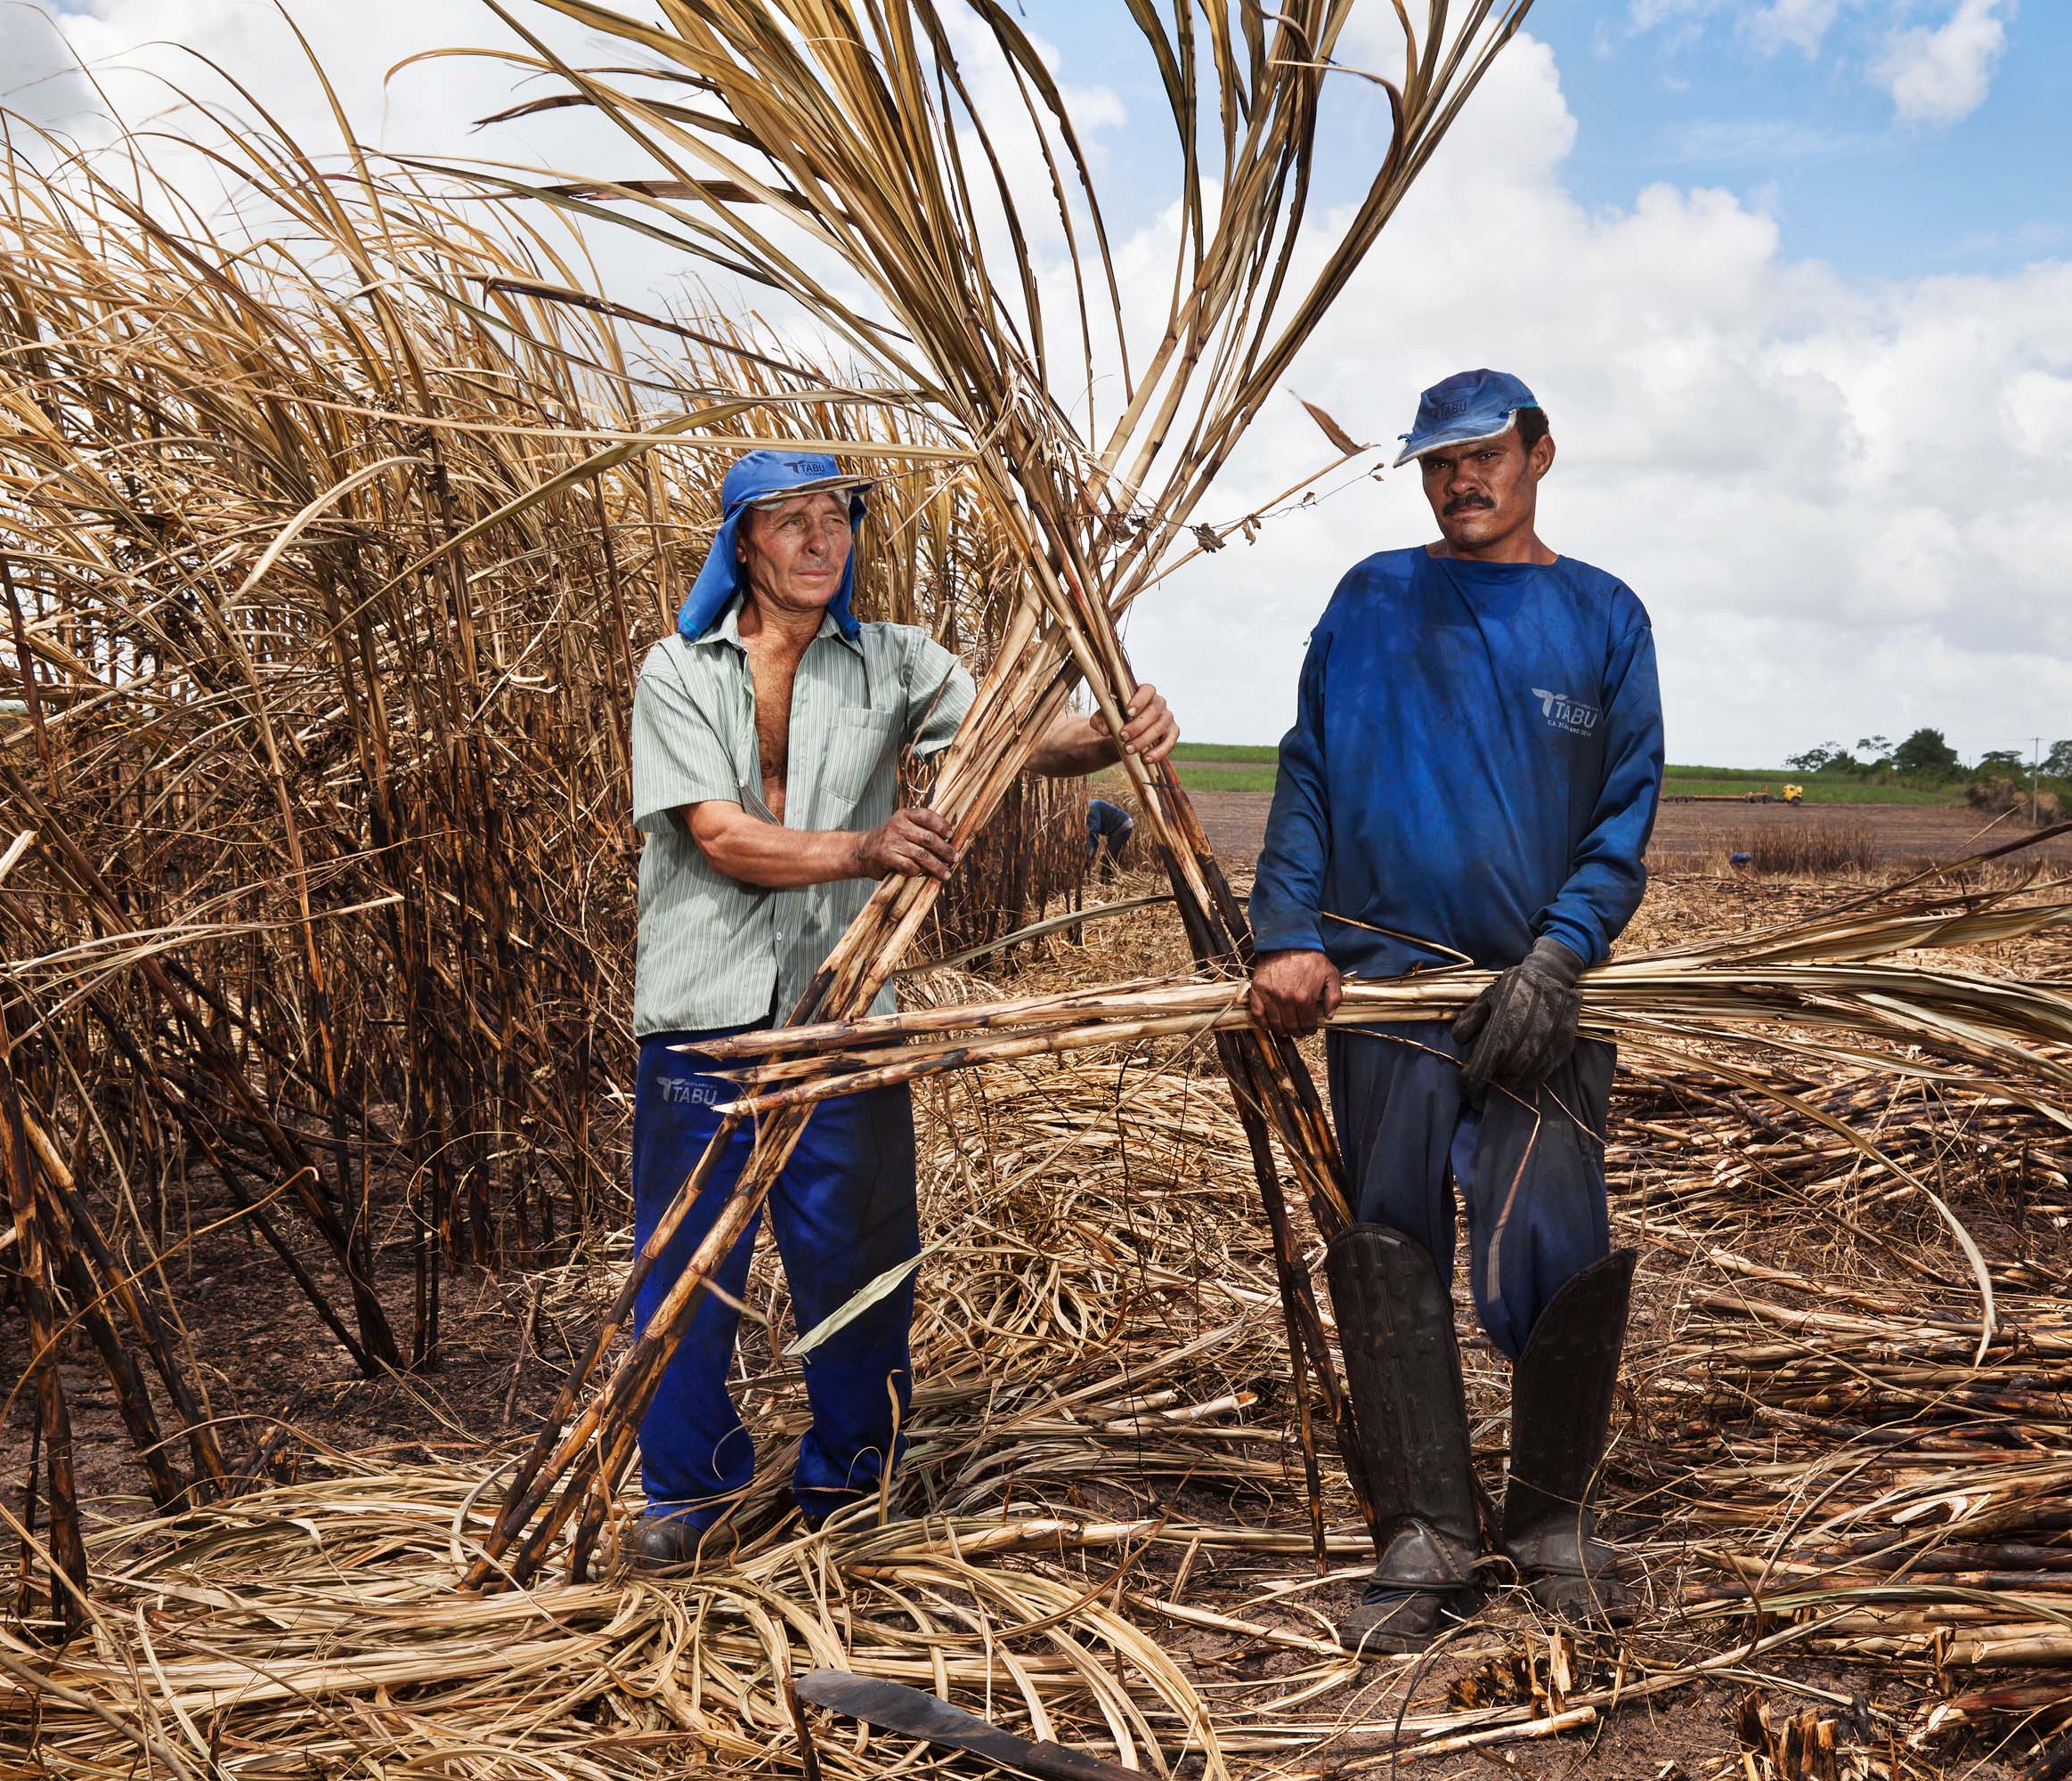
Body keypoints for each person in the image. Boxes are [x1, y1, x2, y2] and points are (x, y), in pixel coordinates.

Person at [629, 449, 1178, 1566]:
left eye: (836, 518)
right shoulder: (677, 671)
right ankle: (686, 1500)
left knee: (860, 1258)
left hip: (844, 1005)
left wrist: (1112, 731)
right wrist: (864, 846)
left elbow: (1027, 741)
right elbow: (721, 835)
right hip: (704, 1014)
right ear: (744, 543)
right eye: (792, 522)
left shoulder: (895, 664)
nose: (821, 540)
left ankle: (851, 1489)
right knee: (685, 1261)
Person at [1246, 370, 1664, 1654]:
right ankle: (1423, 1535)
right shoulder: (1371, 600)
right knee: (1388, 1240)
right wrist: (1286, 933)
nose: (1457, 480)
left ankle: (1550, 1523)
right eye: (1435, 463)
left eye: (1481, 455)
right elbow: (1308, 768)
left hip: (1535, 995)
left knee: (1555, 1239)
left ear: (1540, 452)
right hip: (1386, 993)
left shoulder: (1599, 615)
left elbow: (1623, 811)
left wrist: (1559, 959)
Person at [1085, 796, 1135, 875]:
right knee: (1109, 856)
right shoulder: (1088, 810)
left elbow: (1095, 829)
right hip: (1115, 830)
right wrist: (1090, 856)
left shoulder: (1091, 807)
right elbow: (1094, 839)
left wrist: (1089, 856)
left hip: (1123, 826)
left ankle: (1107, 884)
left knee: (1109, 857)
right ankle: (1106, 882)